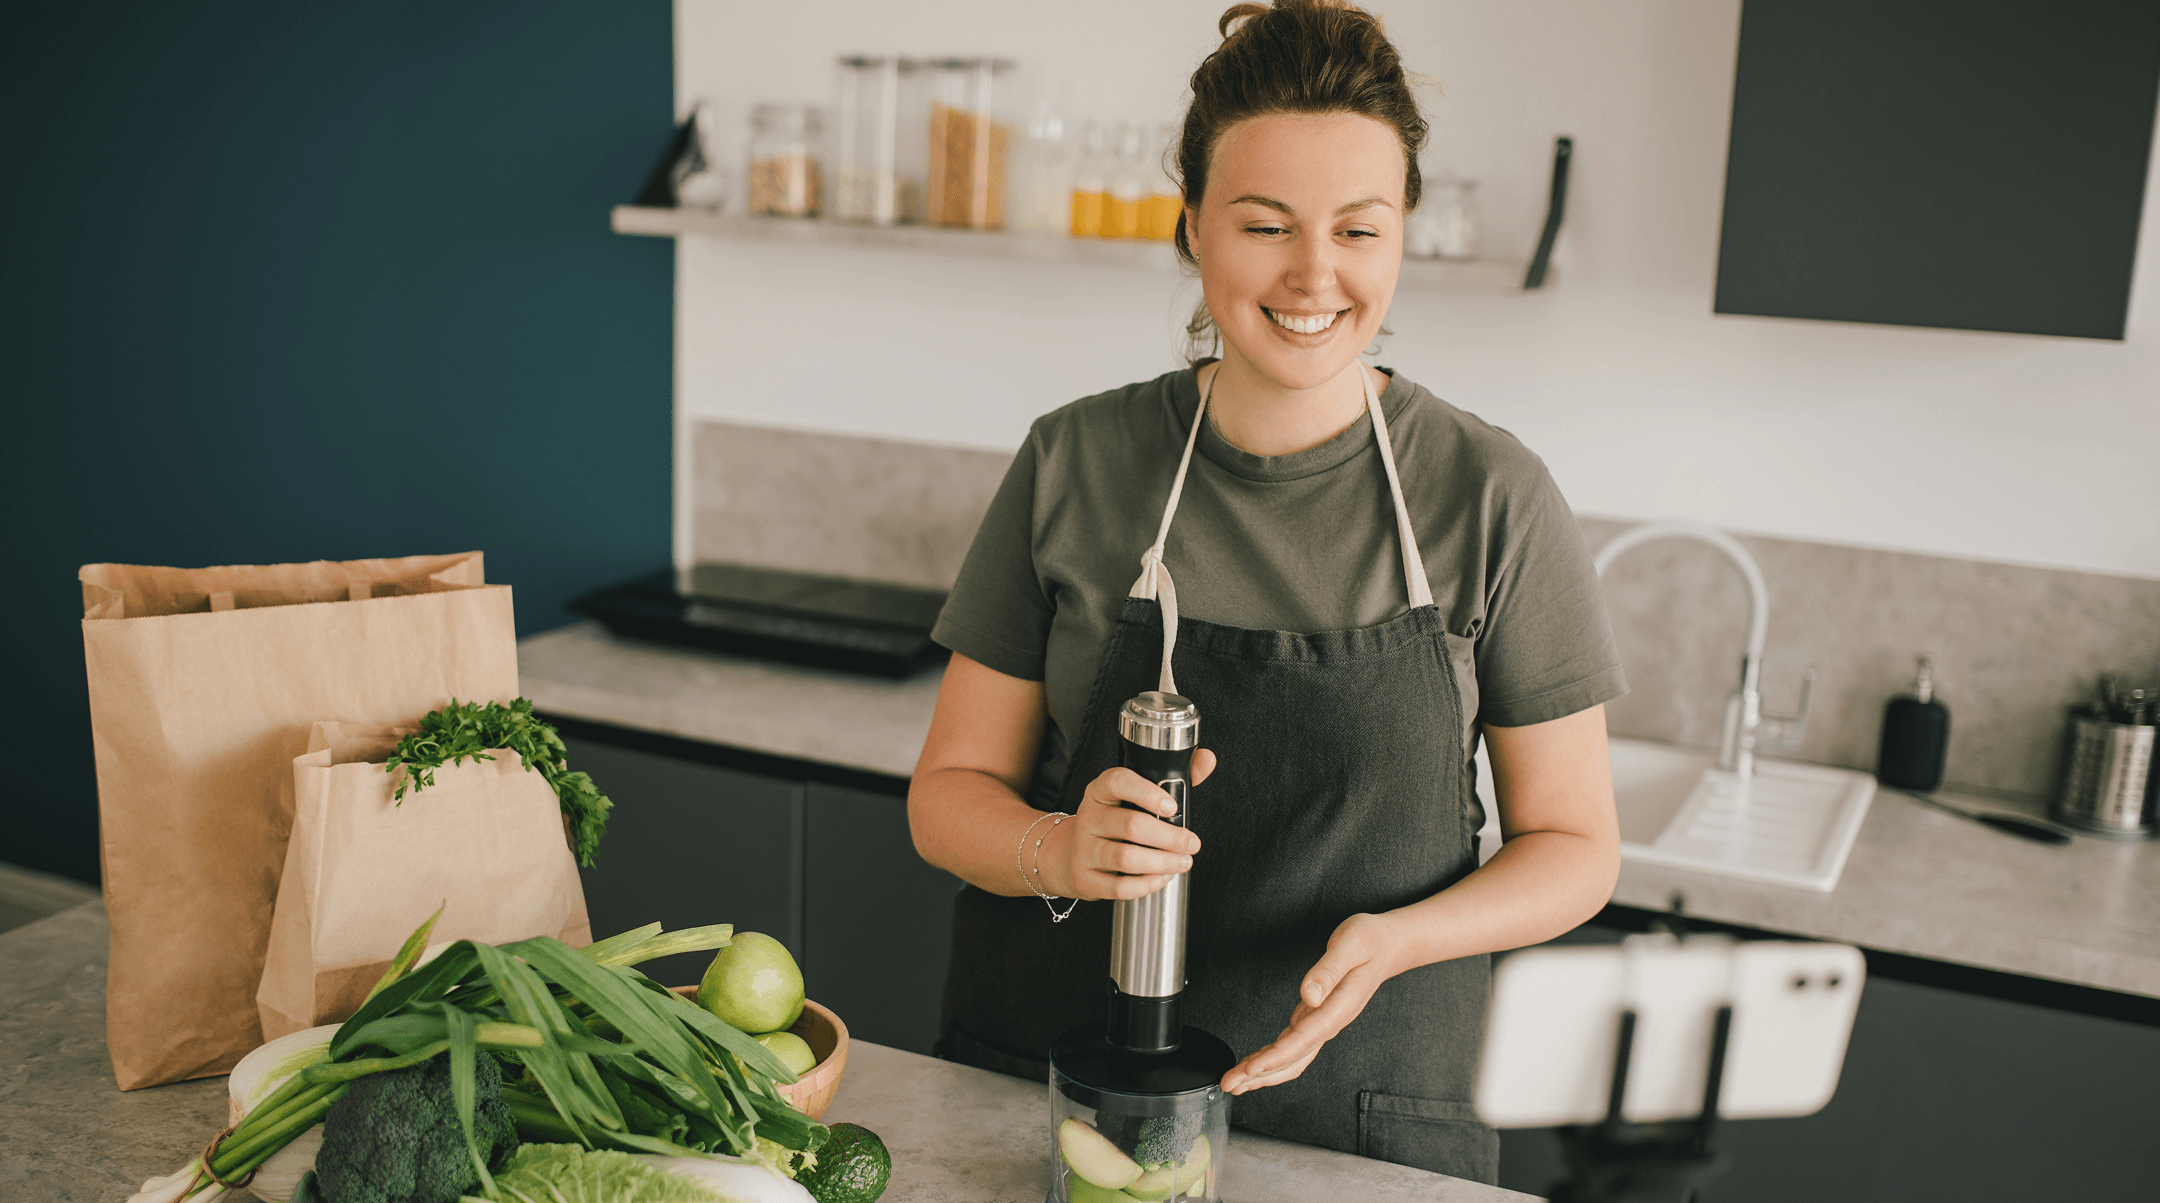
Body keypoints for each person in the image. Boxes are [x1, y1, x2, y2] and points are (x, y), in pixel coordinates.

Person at [906, 0, 1623, 1184]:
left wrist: (1405, 938)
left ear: (1401, 236)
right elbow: (946, 796)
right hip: (1061, 1108)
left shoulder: (1490, 495)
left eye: (1358, 229)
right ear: (1192, 228)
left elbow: (1578, 846)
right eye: (1266, 225)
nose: (1314, 274)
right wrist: (1054, 848)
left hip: (1360, 1123)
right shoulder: (1074, 463)